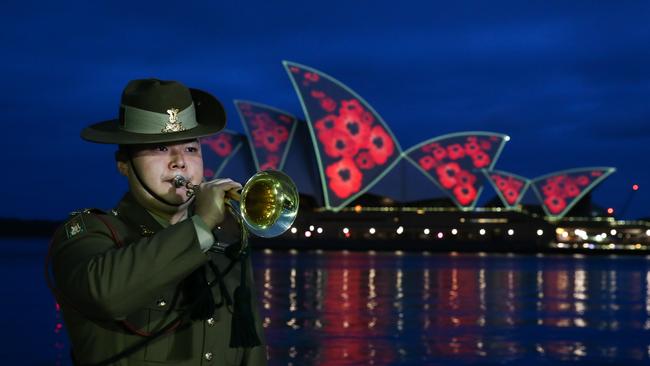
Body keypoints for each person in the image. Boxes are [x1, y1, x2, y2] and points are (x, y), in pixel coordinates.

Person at [47, 79, 267, 365]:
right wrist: (201, 225)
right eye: (161, 148)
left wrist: (205, 227)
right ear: (123, 164)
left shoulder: (226, 247)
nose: (179, 162)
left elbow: (251, 349)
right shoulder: (87, 234)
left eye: (191, 149)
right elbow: (107, 296)